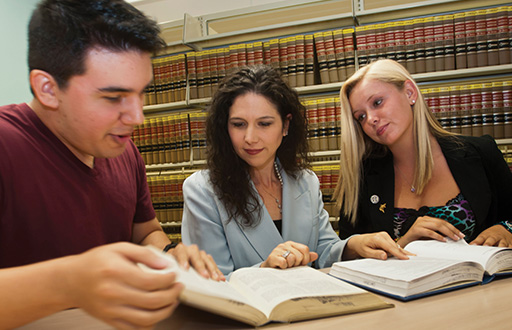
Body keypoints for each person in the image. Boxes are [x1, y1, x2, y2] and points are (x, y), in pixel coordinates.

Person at [0, 0, 224, 328]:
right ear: (48, 89)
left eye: (140, 93)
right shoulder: (6, 145)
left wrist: (170, 254)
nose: (138, 118)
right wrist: (69, 283)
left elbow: (144, 231)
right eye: (113, 97)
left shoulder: (123, 150)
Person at [181, 65, 410, 278]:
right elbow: (210, 281)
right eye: (238, 124)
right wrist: (265, 269)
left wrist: (353, 245)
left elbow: (323, 251)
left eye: (265, 123)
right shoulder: (202, 191)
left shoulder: (306, 182)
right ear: (225, 127)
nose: (250, 138)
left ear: (286, 126)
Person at [334, 58, 512, 249]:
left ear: (410, 92)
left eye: (377, 102)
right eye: (360, 116)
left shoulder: (481, 153)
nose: (371, 119)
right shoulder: (362, 177)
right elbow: (350, 253)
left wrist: (506, 228)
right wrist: (402, 244)